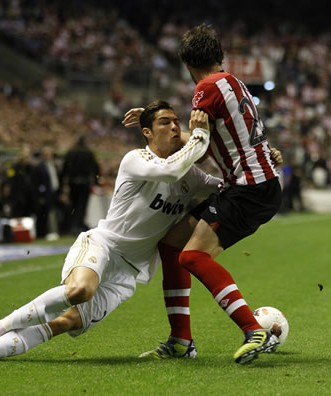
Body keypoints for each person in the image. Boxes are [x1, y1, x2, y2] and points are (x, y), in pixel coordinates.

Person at [0, 100, 219, 364]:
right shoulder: (137, 159)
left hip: (129, 272)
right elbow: (169, 170)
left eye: (177, 122)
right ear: (146, 133)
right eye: (164, 122)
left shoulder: (192, 177)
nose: (174, 127)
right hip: (103, 246)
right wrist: (199, 135)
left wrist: (262, 162)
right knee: (79, 291)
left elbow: (226, 186)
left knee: (64, 323)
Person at [125, 24, 282, 365]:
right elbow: (225, 134)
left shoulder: (205, 88)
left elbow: (198, 141)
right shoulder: (233, 82)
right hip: (256, 184)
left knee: (192, 256)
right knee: (171, 243)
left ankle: (254, 330)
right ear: (218, 55)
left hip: (247, 189)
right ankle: (181, 340)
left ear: (186, 63)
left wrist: (160, 133)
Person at [60, 135, 100, 235]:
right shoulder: (89, 152)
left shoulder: (71, 152)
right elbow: (95, 168)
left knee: (73, 205)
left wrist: (62, 183)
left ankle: (72, 226)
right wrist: (96, 182)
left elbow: (64, 168)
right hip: (85, 183)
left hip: (72, 183)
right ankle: (78, 225)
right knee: (82, 206)